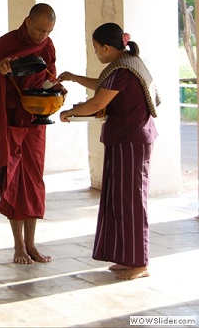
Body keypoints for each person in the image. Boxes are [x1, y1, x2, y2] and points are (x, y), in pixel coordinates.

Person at [59, 23, 159, 280]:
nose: (96, 53)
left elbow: (98, 101)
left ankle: (139, 262)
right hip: (124, 138)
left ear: (106, 47)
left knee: (131, 200)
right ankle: (125, 257)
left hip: (131, 140)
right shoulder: (124, 63)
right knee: (118, 198)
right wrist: (73, 77)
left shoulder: (124, 68)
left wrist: (69, 112)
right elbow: (103, 86)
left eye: (95, 48)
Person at [0, 3, 62, 264]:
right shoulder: (6, 44)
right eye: (39, 30)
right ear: (27, 21)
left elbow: (50, 76)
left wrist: (55, 91)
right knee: (13, 179)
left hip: (36, 120)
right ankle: (18, 246)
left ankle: (32, 244)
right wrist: (0, 70)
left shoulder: (47, 46)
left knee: (34, 180)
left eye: (48, 31)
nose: (43, 36)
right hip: (12, 119)